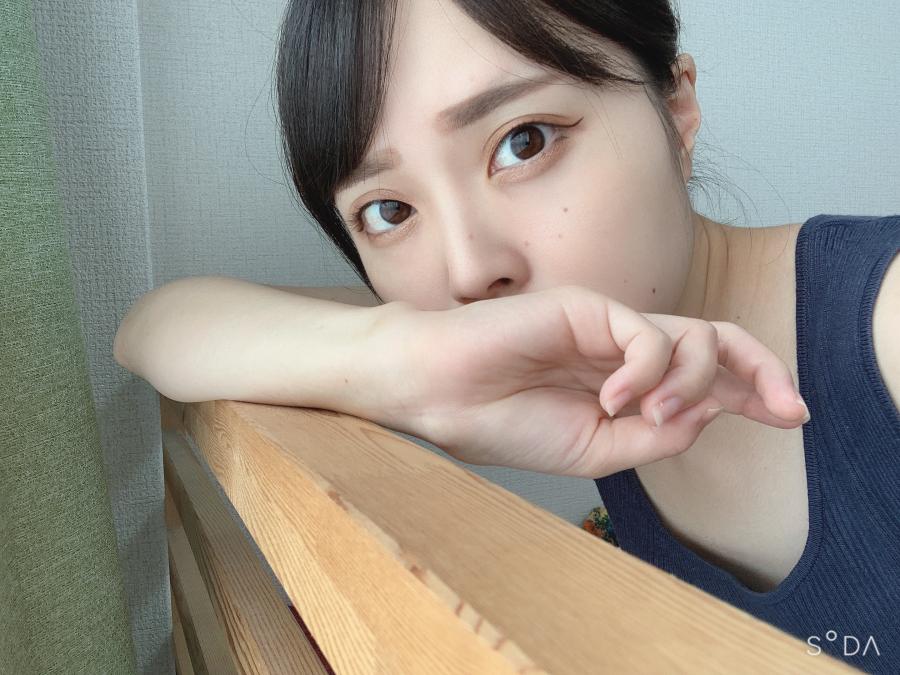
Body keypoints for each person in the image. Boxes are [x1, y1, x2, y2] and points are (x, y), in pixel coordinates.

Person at [114, 0, 900, 670]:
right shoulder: (575, 337)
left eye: (524, 141)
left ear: (677, 107)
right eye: (389, 211)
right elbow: (157, 326)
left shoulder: (884, 321)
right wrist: (407, 372)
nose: (468, 270)